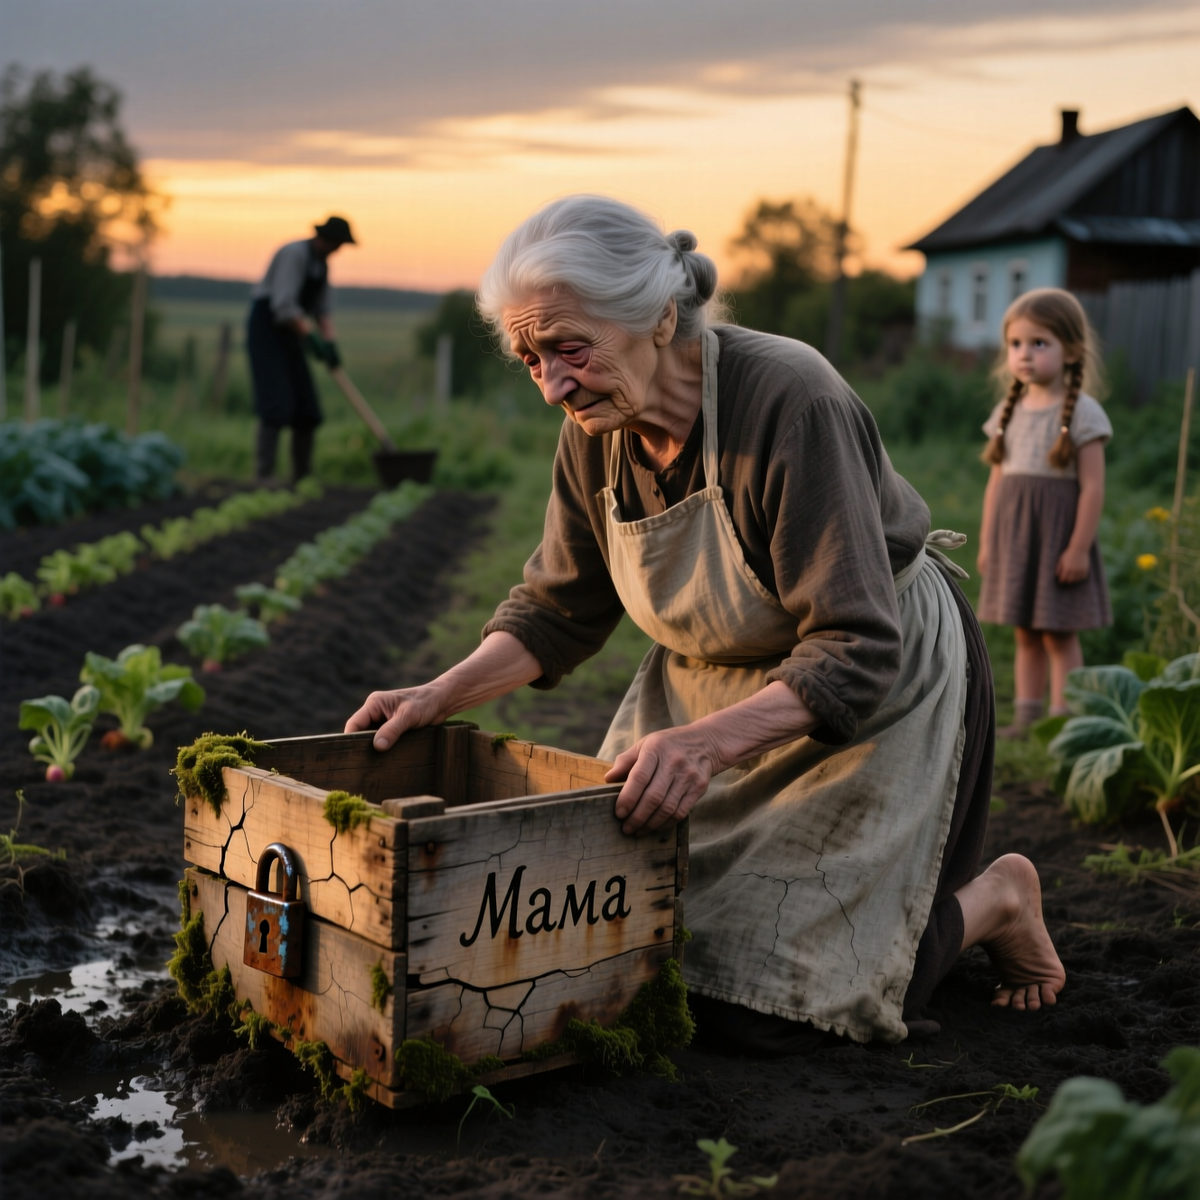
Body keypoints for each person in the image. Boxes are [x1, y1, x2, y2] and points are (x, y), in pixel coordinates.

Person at [347, 196, 1065, 1052]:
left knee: (808, 1003)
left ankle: (998, 898)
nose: (551, 384)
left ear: (658, 318)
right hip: (708, 693)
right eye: (529, 357)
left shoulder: (790, 401)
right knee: (637, 954)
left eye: (570, 348)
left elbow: (856, 647)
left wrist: (704, 746)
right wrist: (438, 693)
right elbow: (557, 608)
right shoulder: (594, 429)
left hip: (868, 690)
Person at [977, 289, 1111, 738]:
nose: (1024, 354)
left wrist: (1077, 548)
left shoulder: (1084, 415)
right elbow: (997, 484)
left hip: (1057, 541)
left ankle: (1065, 718)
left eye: (1039, 343)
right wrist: (988, 542)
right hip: (1017, 539)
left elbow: (1092, 487)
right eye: (1016, 344)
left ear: (1070, 350)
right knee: (1025, 632)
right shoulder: (1007, 411)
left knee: (1058, 633)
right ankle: (1028, 715)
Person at [246, 215, 356, 482]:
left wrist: (329, 344)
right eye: (338, 244)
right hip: (268, 331)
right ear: (325, 239)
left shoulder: (322, 266)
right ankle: (264, 476)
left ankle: (301, 478)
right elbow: (283, 307)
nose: (339, 250)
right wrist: (312, 339)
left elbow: (322, 311)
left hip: (293, 334)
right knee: (276, 405)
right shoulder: (294, 254)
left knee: (307, 411)